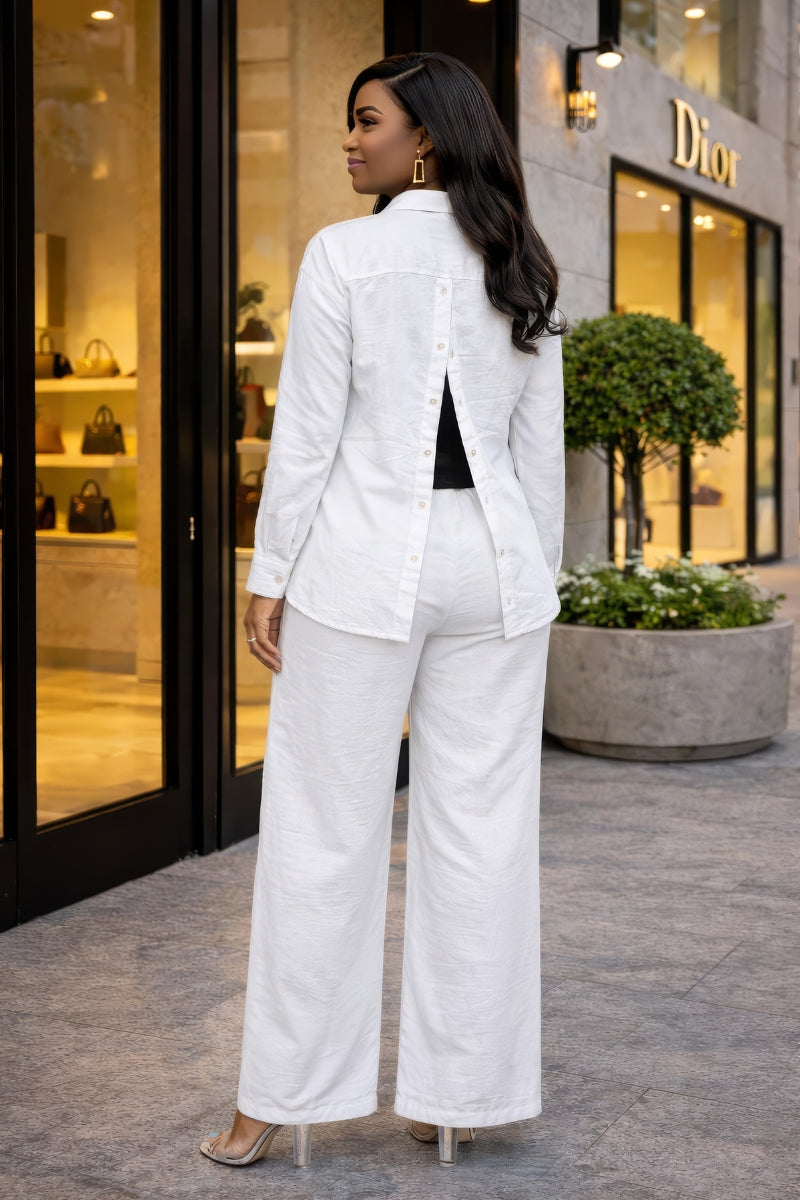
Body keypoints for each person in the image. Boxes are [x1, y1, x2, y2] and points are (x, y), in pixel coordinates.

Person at [201, 50, 566, 1171]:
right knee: (480, 834)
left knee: (322, 831)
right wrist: (535, 579)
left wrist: (268, 574)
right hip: (495, 575)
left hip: (360, 573)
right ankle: (459, 1100)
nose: (351, 141)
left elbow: (305, 435)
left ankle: (277, 1100)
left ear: (430, 139)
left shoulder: (343, 253)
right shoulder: (521, 260)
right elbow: (534, 453)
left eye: (368, 122)